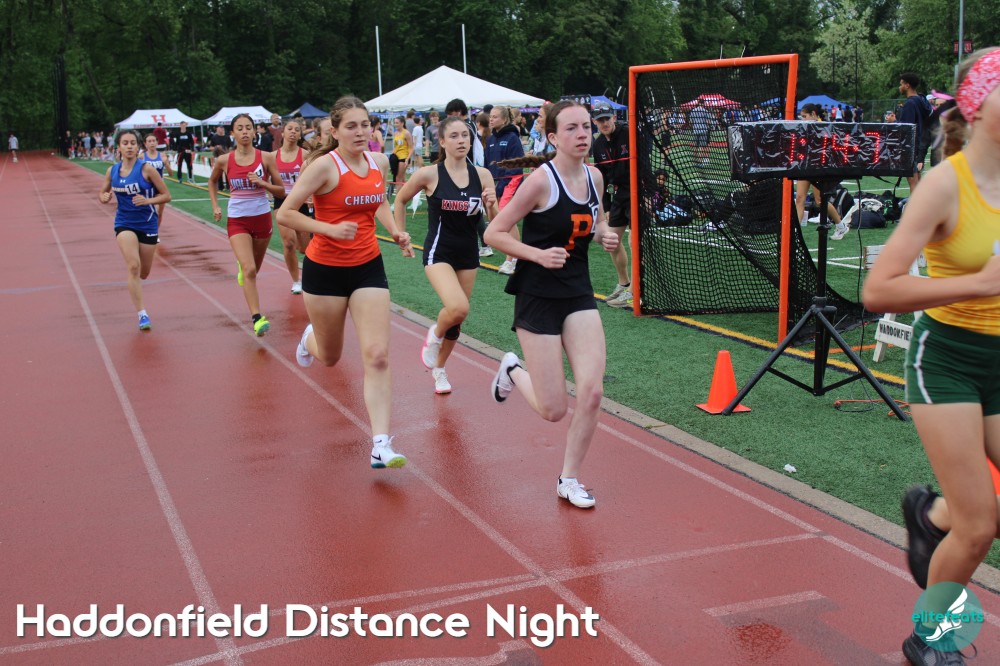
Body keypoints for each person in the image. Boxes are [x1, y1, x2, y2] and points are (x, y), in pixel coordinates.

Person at [862, 47, 1000, 666]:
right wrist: (977, 284)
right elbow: (879, 290)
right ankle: (931, 638)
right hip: (947, 361)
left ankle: (931, 514)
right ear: (978, 105)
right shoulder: (946, 185)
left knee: (971, 516)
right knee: (980, 525)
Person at [483, 100, 620, 509]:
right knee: (554, 409)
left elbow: (594, 221)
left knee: (592, 392)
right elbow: (494, 233)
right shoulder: (540, 182)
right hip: (538, 295)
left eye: (586, 127)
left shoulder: (595, 177)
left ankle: (569, 479)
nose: (583, 134)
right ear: (553, 137)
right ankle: (512, 368)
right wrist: (537, 254)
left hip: (577, 292)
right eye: (572, 128)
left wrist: (604, 234)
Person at [276, 96, 415, 469]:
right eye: (351, 126)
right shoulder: (324, 167)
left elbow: (378, 201)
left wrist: (395, 231)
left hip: (368, 266)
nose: (360, 132)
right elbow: (286, 213)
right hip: (325, 271)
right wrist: (328, 228)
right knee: (331, 356)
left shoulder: (378, 161)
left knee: (378, 354)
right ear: (334, 132)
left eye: (365, 124)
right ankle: (309, 339)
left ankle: (381, 443)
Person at [392, 116, 499, 394]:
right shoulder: (429, 174)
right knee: (458, 307)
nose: (461, 140)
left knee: (456, 318)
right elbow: (400, 200)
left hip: (468, 253)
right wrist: (401, 234)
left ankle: (439, 369)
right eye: (454, 136)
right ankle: (434, 334)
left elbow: (495, 221)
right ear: (441, 141)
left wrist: (491, 205)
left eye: (465, 135)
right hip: (439, 252)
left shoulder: (483, 176)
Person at [207, 113, 286, 336]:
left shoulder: (266, 157)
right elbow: (212, 182)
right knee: (250, 269)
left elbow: (281, 191)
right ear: (232, 133)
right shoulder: (224, 160)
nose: (244, 132)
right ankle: (257, 318)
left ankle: (244, 267)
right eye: (240, 128)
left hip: (261, 218)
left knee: (254, 270)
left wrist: (263, 184)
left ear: (254, 131)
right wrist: (215, 205)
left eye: (248, 127)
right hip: (237, 220)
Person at [98, 130, 172, 330]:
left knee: (144, 273)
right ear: (119, 147)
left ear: (138, 146)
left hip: (147, 223)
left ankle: (138, 287)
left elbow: (167, 196)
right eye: (125, 143)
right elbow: (103, 193)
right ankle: (142, 314)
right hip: (124, 223)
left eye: (132, 143)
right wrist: (104, 197)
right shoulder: (112, 171)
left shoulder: (147, 170)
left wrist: (148, 201)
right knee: (133, 266)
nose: (129, 146)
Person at [591, 103, 633, 307]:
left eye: (607, 118)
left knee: (636, 243)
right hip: (618, 195)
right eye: (600, 120)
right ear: (594, 122)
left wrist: (647, 193)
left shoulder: (628, 133)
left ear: (614, 118)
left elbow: (644, 164)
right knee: (610, 240)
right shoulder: (598, 144)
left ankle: (635, 292)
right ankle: (624, 283)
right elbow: (602, 178)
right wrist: (606, 206)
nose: (604, 123)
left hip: (636, 192)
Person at [793, 104, 848, 240]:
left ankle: (841, 225)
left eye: (805, 116)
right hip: (805, 166)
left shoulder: (824, 126)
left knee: (819, 201)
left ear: (813, 114)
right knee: (799, 198)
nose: (803, 119)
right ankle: (795, 232)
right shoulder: (803, 128)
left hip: (819, 168)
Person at [272, 118, 311, 294]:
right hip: (282, 201)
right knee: (288, 243)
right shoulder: (273, 156)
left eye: (297, 129)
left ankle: (310, 277)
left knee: (305, 248)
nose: (293, 132)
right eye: (290, 129)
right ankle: (296, 281)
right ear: (283, 132)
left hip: (301, 201)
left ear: (300, 135)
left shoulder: (305, 155)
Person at [486, 105, 526, 274]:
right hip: (495, 185)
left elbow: (516, 165)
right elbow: (488, 165)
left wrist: (502, 186)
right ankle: (513, 256)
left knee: (507, 220)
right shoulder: (490, 139)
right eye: (490, 116)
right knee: (495, 220)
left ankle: (513, 259)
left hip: (510, 183)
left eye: (495, 117)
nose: (491, 119)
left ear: (504, 119)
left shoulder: (512, 138)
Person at [898, 72, 935, 191]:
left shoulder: (910, 103)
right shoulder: (921, 100)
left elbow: (906, 127)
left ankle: (916, 203)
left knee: (912, 181)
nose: (900, 87)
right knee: (918, 179)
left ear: (907, 85)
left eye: (901, 84)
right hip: (921, 143)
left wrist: (894, 121)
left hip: (911, 146)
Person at [140, 132, 174, 224]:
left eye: (153, 141)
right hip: (147, 187)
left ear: (157, 142)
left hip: (160, 187)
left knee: (159, 213)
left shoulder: (162, 155)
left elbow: (171, 174)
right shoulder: (141, 157)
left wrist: (166, 164)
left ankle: (156, 231)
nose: (152, 143)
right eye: (149, 141)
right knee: (149, 211)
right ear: (145, 143)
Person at [389, 116, 412, 194]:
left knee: (398, 178)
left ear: (402, 123)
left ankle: (398, 198)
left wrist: (408, 159)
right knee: (402, 179)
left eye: (397, 123)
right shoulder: (395, 133)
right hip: (396, 156)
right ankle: (407, 195)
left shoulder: (406, 133)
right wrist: (392, 154)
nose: (395, 124)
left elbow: (411, 147)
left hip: (404, 157)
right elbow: (396, 146)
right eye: (395, 123)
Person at [688, 98, 712, 164]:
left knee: (695, 146)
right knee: (702, 146)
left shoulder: (693, 111)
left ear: (698, 103)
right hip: (703, 130)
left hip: (695, 130)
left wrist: (693, 127)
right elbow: (708, 122)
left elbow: (690, 122)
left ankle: (694, 160)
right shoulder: (705, 111)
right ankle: (700, 161)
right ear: (703, 103)